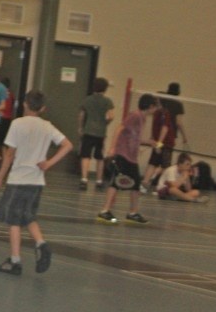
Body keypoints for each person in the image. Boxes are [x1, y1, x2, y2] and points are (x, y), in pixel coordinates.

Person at [0, 90, 72, 276]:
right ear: (43, 108)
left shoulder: (17, 124)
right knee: (28, 216)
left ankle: (15, 261)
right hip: (36, 181)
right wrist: (49, 163)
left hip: (18, 180)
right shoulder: (48, 126)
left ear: (25, 104)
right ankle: (41, 244)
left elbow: (9, 154)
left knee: (14, 221)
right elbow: (68, 145)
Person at [96, 94, 160, 225]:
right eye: (155, 107)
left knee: (135, 184)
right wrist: (113, 148)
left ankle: (133, 212)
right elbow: (120, 128)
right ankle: (105, 210)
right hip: (123, 154)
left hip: (132, 157)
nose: (155, 110)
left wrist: (149, 142)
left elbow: (135, 137)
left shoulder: (143, 119)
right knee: (116, 182)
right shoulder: (135, 115)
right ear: (150, 106)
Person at [141, 82, 188, 193]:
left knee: (153, 163)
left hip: (158, 141)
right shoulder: (172, 107)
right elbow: (172, 125)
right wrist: (184, 136)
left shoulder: (158, 111)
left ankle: (146, 183)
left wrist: (154, 139)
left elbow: (158, 126)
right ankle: (159, 186)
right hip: (166, 141)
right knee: (165, 166)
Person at [77, 77, 115, 191]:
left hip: (88, 131)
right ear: (105, 88)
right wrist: (106, 123)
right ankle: (99, 181)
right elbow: (111, 116)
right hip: (101, 133)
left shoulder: (87, 100)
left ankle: (84, 179)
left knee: (85, 156)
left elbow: (81, 115)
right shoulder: (108, 101)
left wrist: (80, 127)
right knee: (100, 157)